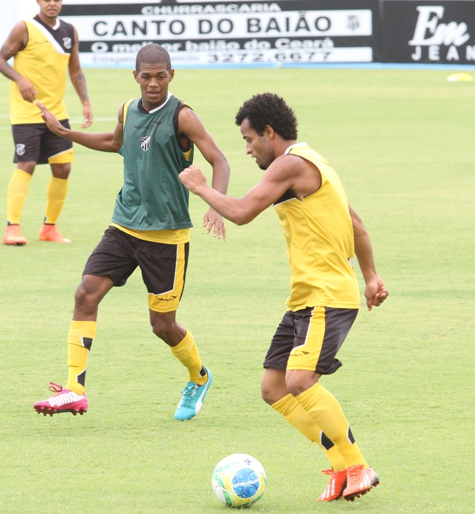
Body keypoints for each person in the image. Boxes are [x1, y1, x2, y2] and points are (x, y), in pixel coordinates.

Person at [178, 93, 388, 501]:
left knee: (300, 380)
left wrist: (201, 188)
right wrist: (371, 276)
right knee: (274, 388)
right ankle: (342, 467)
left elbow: (241, 212)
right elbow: (356, 223)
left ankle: (359, 465)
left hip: (326, 297)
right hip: (306, 299)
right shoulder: (315, 161)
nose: (247, 148)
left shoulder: (290, 164)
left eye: (250, 138)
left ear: (269, 133)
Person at [33, 44, 230, 420]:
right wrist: (65, 132)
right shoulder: (127, 109)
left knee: (162, 325)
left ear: (171, 76)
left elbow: (219, 160)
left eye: (160, 76)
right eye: (146, 76)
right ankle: (75, 389)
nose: (153, 83)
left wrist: (216, 203)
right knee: (85, 294)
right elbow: (114, 142)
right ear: (135, 76)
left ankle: (198, 376)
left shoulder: (183, 116)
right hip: (123, 226)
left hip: (167, 238)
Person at [0, 0, 92, 246]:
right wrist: (20, 79)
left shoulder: (70, 31)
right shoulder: (24, 28)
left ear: (61, 1)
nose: (52, 3)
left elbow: (75, 70)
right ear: (38, 1)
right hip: (26, 113)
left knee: (63, 168)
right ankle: (12, 227)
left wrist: (85, 101)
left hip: (57, 113)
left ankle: (49, 227)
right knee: (26, 165)